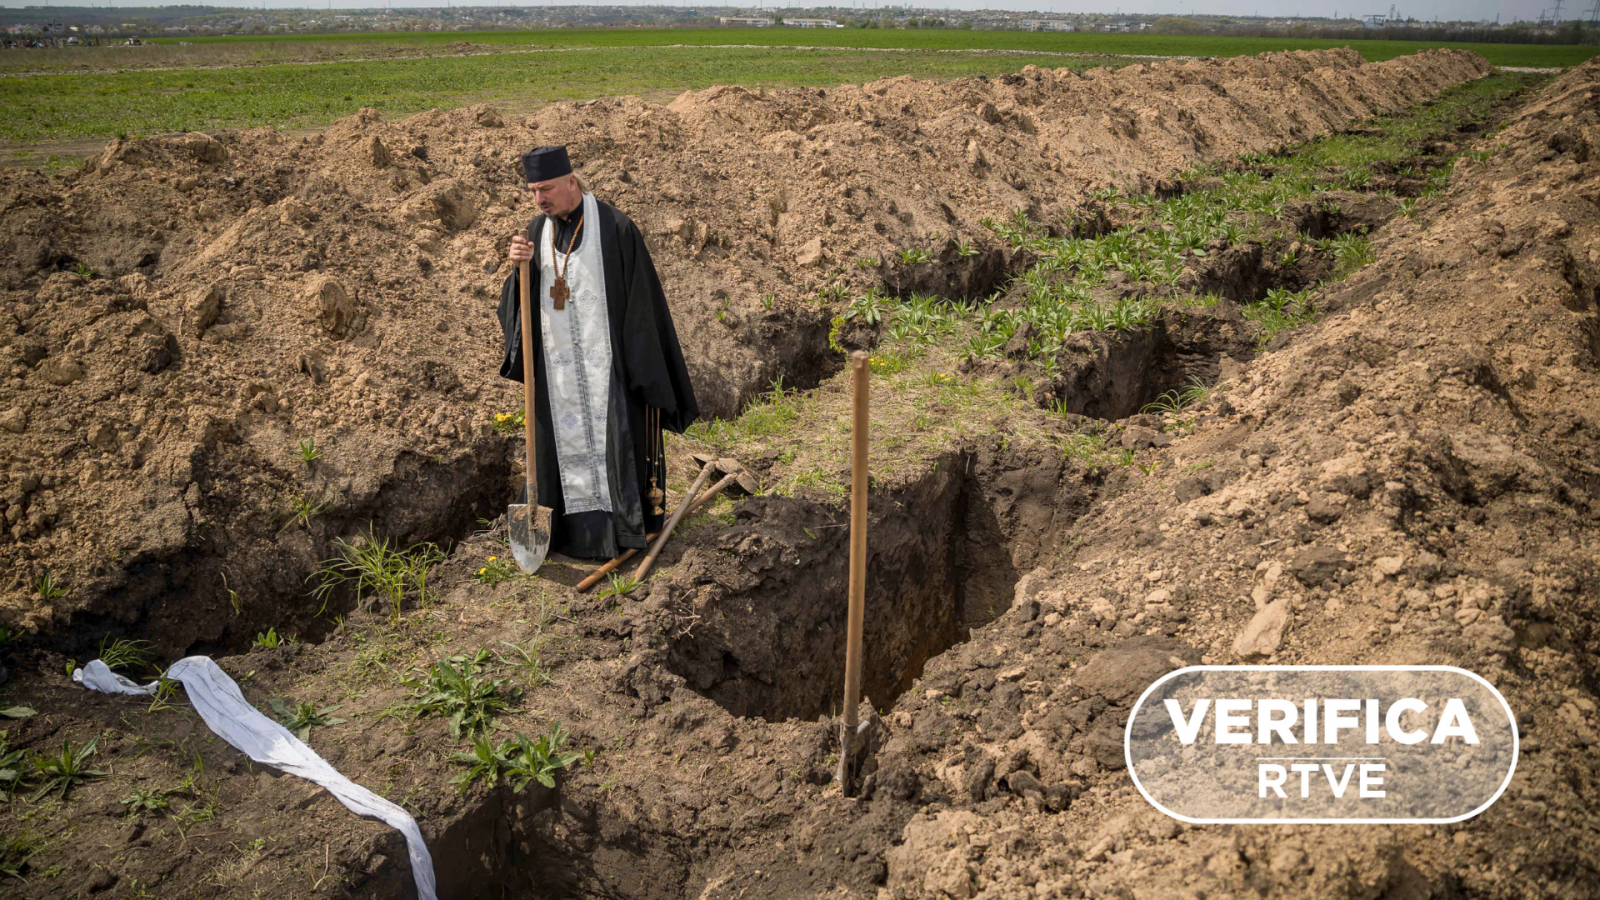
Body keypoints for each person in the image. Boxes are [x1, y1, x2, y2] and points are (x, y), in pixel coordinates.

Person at [496, 146, 699, 560]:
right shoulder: (536, 232)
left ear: (572, 181)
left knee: (615, 440)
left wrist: (640, 371)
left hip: (609, 372)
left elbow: (643, 305)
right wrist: (520, 270)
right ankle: (566, 536)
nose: (539, 199)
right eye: (533, 191)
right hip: (558, 376)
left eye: (546, 189)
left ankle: (621, 531)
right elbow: (521, 306)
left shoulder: (615, 228)